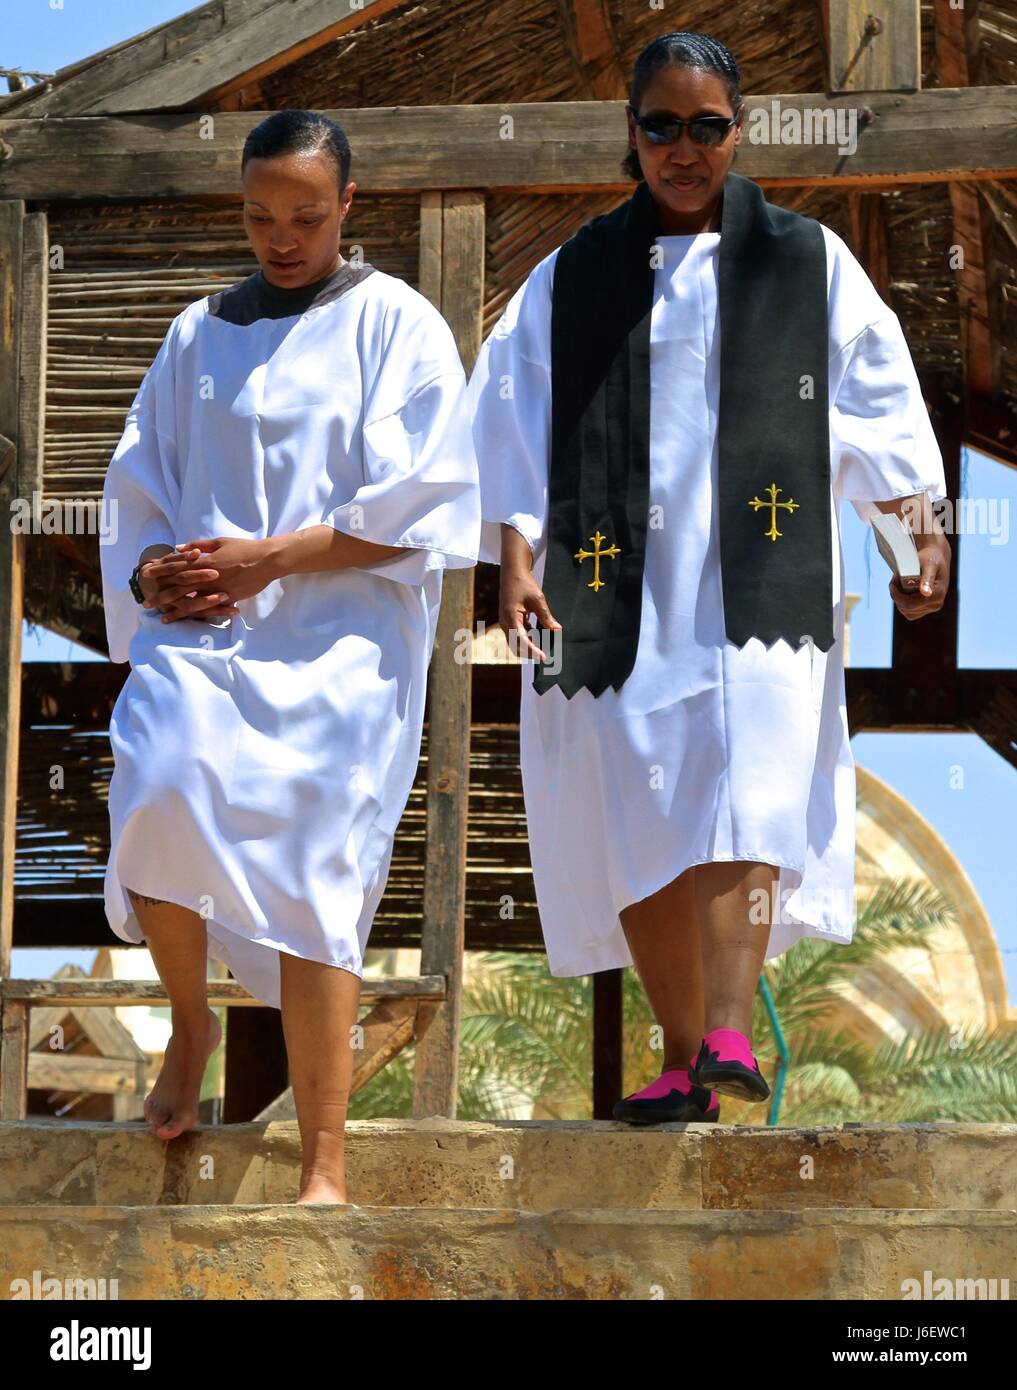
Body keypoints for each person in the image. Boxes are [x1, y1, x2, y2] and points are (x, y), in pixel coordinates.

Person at [466, 32, 950, 1125]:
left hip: (757, 577)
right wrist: (514, 560)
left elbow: (874, 398)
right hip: (611, 582)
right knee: (629, 793)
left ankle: (731, 1026)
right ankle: (686, 1054)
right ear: (629, 133)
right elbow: (509, 418)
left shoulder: (806, 260)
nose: (682, 149)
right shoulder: (571, 274)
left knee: (750, 778)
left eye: (706, 126)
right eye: (659, 126)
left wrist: (916, 528)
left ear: (739, 130)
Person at [99, 109, 480, 1202]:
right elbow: (141, 497)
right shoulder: (196, 335)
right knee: (155, 792)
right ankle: (189, 1030)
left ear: (349, 205)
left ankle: (325, 1161)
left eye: (306, 216)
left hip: (340, 645)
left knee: (318, 863)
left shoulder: (396, 326)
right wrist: (150, 577)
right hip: (208, 633)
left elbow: (427, 509)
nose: (282, 237)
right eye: (262, 216)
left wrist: (279, 556)